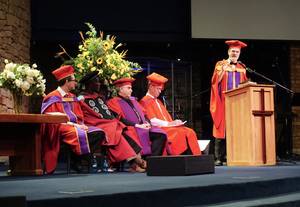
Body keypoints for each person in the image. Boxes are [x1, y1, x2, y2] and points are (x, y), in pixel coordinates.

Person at [78, 72, 147, 172]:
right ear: (89, 84)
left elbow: (108, 113)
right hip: (94, 124)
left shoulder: (99, 97)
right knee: (116, 127)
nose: (99, 84)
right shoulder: (81, 98)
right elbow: (84, 116)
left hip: (107, 123)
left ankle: (136, 162)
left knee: (121, 129)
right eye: (96, 82)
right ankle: (137, 162)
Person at [41, 65, 104, 174]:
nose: (76, 83)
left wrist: (80, 124)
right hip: (59, 126)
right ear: (66, 81)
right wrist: (75, 126)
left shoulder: (72, 96)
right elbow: (52, 119)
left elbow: (79, 115)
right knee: (78, 133)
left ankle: (78, 161)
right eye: (74, 80)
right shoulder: (52, 97)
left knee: (98, 132)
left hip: (75, 126)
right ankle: (82, 162)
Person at [139, 72, 201, 156]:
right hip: (158, 129)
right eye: (158, 89)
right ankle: (180, 159)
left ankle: (196, 159)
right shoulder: (145, 101)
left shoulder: (158, 101)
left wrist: (175, 122)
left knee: (189, 131)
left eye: (161, 89)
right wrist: (169, 123)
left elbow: (166, 117)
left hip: (168, 127)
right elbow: (152, 120)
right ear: (151, 87)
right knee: (181, 133)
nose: (160, 91)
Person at [210, 40, 248, 165]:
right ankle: (218, 157)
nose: (234, 53)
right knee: (221, 127)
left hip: (237, 104)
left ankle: (230, 156)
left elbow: (244, 85)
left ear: (240, 54)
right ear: (228, 51)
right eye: (233, 51)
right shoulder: (220, 64)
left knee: (235, 129)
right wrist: (225, 69)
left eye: (237, 52)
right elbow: (215, 82)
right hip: (223, 102)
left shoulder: (242, 68)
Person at [106, 77, 167, 156]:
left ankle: (152, 160)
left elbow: (144, 114)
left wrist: (147, 123)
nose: (131, 90)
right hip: (130, 128)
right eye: (128, 88)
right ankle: (142, 161)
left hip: (142, 126)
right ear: (120, 89)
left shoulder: (133, 100)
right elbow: (120, 118)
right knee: (135, 134)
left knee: (160, 134)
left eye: (131, 88)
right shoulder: (114, 102)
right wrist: (137, 125)